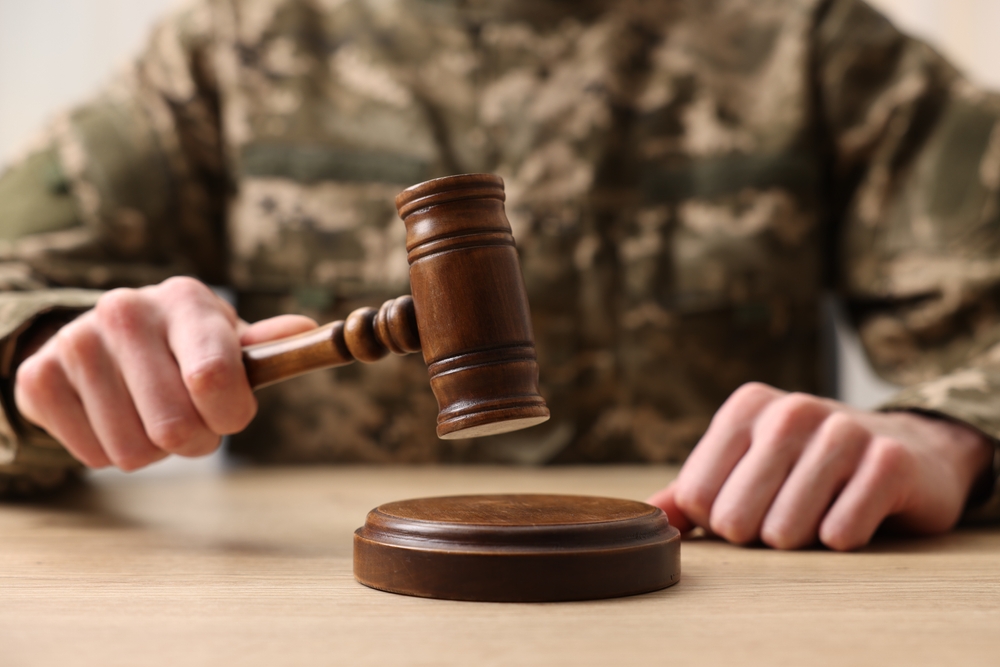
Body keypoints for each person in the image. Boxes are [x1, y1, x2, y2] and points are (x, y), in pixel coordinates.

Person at [0, 0, 997, 551]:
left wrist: (951, 433)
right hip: (331, 630)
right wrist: (39, 356)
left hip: (719, 612)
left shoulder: (813, 44)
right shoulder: (229, 49)